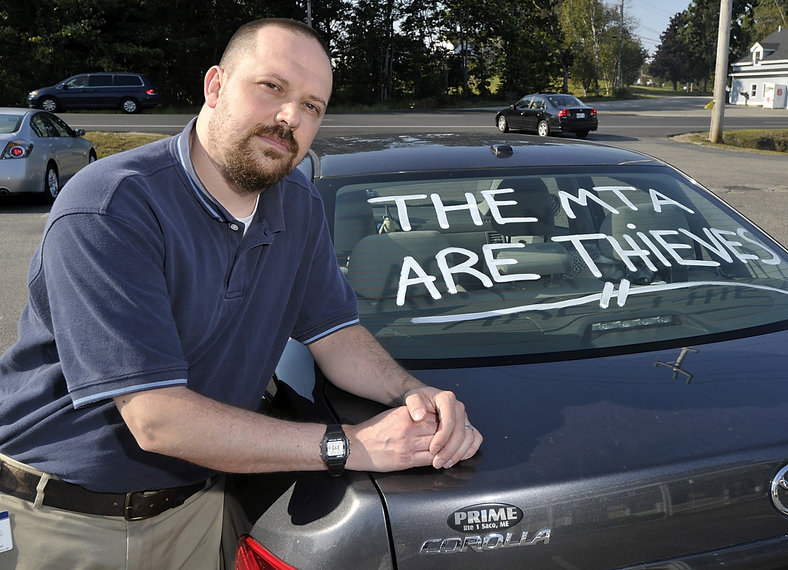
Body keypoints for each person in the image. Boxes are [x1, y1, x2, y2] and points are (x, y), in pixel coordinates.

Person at [0, 18, 482, 570]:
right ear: (215, 86)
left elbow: (334, 333)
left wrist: (414, 394)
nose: (289, 118)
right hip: (72, 519)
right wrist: (349, 445)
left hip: (201, 503)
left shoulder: (296, 202)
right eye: (272, 87)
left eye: (312, 106)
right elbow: (157, 419)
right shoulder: (112, 206)